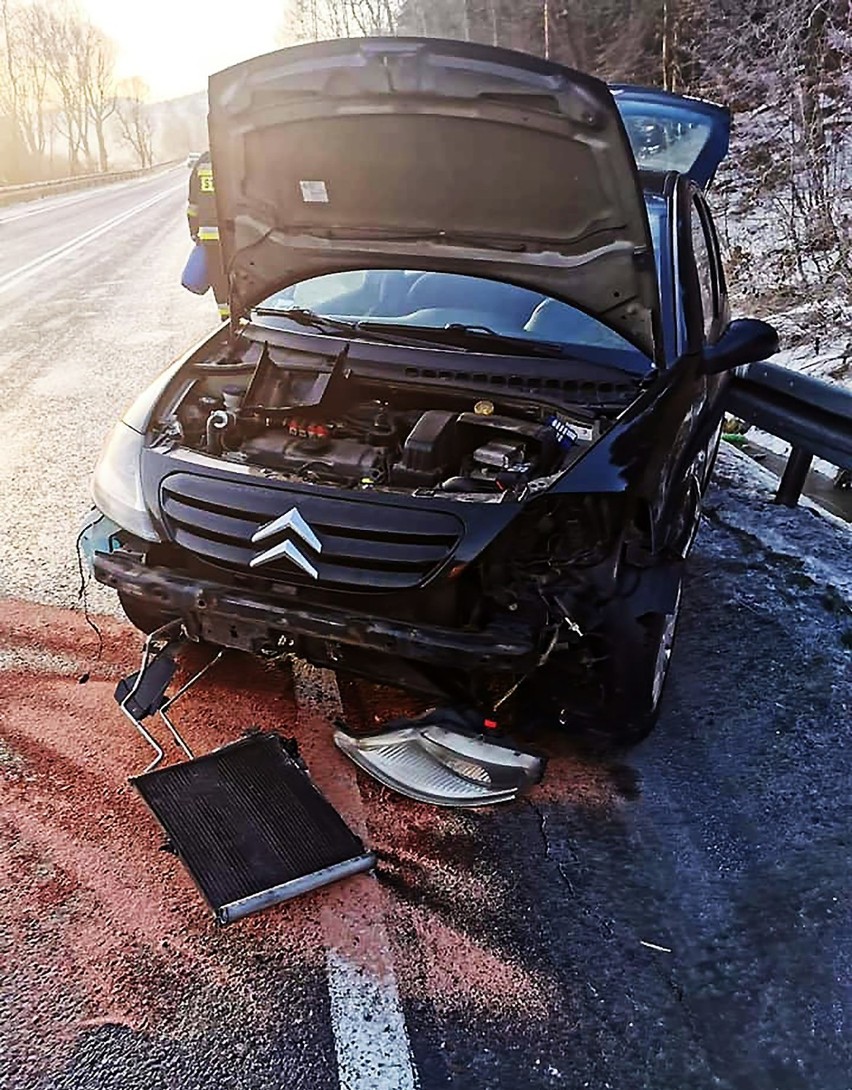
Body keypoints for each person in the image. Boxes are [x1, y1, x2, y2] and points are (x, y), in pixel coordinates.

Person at [181, 151, 229, 320]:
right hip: (239, 236)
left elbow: (193, 205)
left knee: (219, 280)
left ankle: (227, 323)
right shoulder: (238, 152)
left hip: (211, 238)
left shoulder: (203, 162)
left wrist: (194, 232)